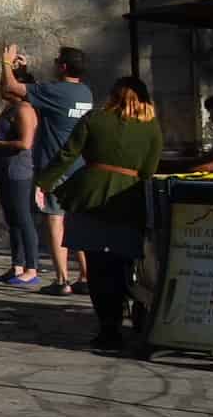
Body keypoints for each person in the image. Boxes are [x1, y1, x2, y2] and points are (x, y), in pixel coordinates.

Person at [38, 74, 163, 355]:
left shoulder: (94, 119)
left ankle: (108, 327)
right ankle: (130, 312)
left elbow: (66, 155)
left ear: (114, 95)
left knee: (97, 266)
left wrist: (43, 182)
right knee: (125, 263)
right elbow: (148, 171)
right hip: (129, 200)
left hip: (89, 195)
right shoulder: (151, 128)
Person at [2, 43, 93, 296]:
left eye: (57, 60)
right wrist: (27, 72)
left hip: (55, 167)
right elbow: (46, 97)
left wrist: (6, 64)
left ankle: (62, 279)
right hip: (79, 166)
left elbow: (11, 88)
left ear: (63, 66)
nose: (54, 63)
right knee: (77, 223)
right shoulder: (84, 92)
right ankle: (86, 276)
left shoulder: (56, 91)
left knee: (55, 221)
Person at [0, 65, 44, 285]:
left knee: (24, 219)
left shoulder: (25, 110)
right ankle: (17, 265)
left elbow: (25, 143)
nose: (0, 86)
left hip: (19, 171)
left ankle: (32, 268)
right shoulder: (9, 109)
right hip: (3, 169)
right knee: (12, 219)